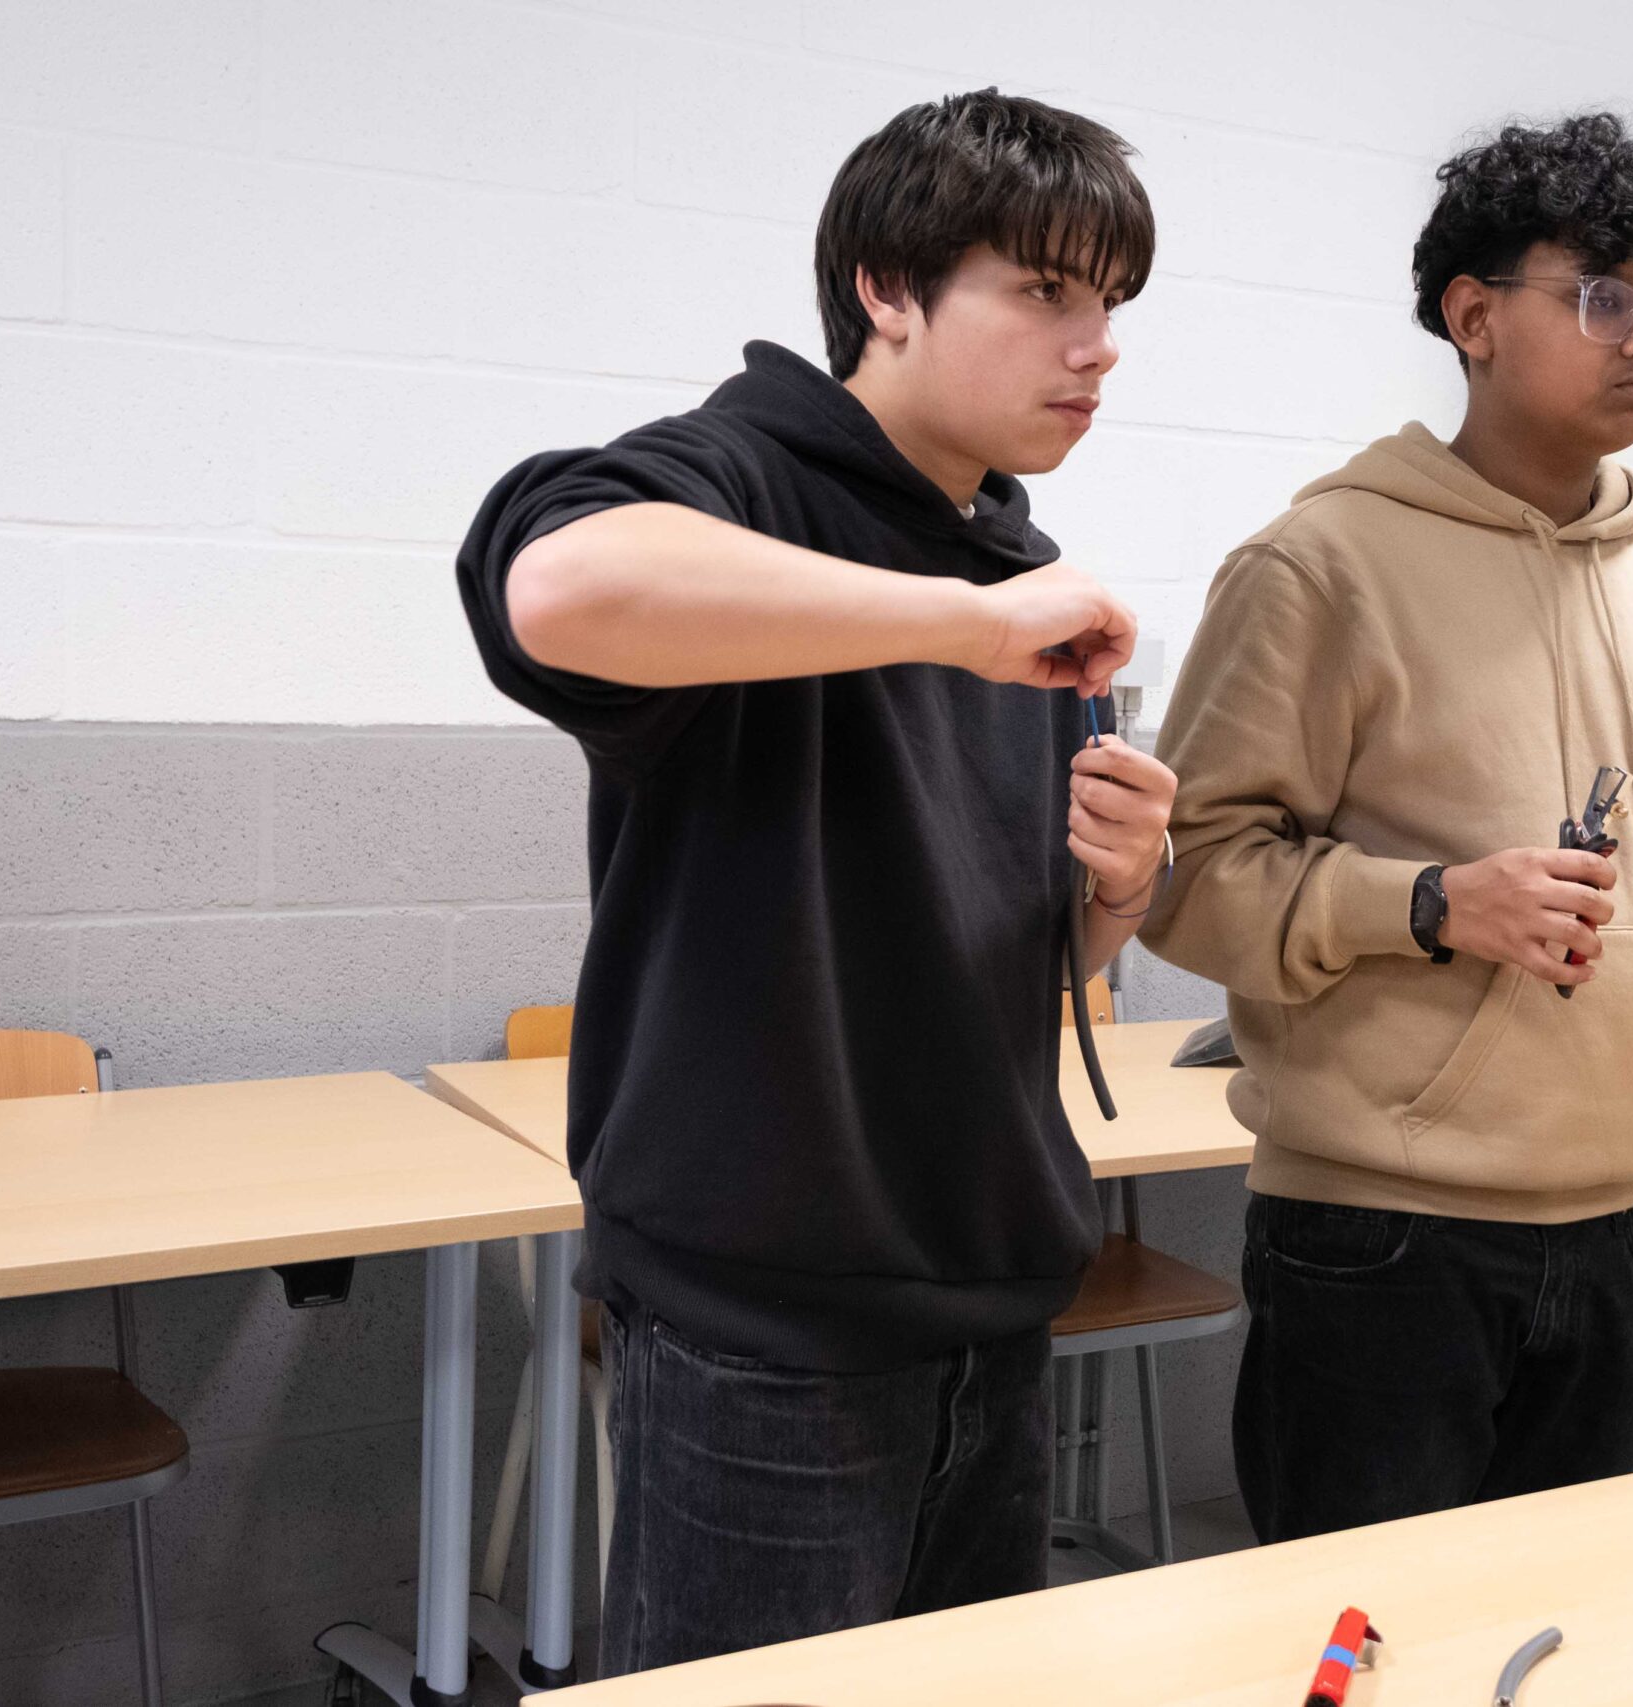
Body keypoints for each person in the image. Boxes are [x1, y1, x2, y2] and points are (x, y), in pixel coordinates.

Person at [454, 89, 1177, 1671]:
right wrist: (960, 623)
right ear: (888, 289)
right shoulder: (742, 478)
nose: (1098, 347)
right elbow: (557, 585)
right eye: (1045, 291)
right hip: (765, 1330)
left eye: (1113, 303)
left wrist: (1115, 893)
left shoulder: (1013, 563)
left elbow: (999, 946)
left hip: (986, 1290)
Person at [1140, 113, 1633, 1543]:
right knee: (1360, 1634)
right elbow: (1189, 880)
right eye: (1604, 298)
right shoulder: (1319, 567)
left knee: (1564, 1628)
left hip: (1626, 1224)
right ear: (1473, 318)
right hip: (1383, 1237)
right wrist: (1432, 904)